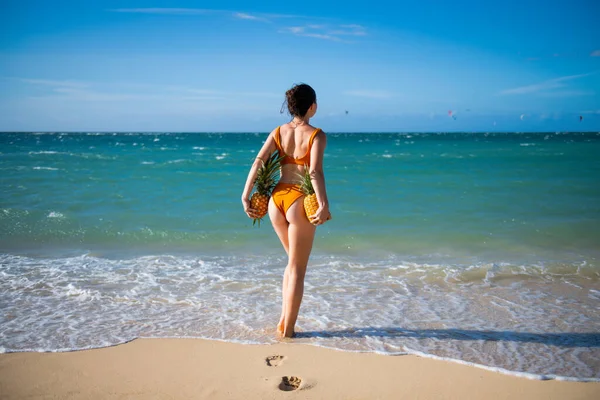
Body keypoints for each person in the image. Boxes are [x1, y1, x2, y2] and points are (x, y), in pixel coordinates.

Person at [241, 83, 331, 338]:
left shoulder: (278, 131)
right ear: (312, 106)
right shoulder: (317, 134)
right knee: (297, 268)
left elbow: (259, 161)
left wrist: (245, 194)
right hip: (298, 202)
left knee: (291, 264)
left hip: (276, 201)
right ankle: (289, 332)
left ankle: (283, 321)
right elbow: (314, 171)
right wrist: (323, 203)